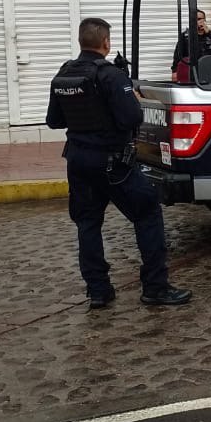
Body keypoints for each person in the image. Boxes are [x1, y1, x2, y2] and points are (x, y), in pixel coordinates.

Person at [47, 17, 192, 309]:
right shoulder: (111, 75)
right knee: (147, 213)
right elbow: (131, 118)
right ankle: (155, 287)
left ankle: (98, 291)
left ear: (80, 41)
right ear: (106, 42)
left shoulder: (64, 74)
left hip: (77, 161)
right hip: (113, 162)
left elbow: (54, 121)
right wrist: (134, 101)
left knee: (88, 224)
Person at [172, 10, 211, 76]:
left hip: (209, 71)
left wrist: (209, 33)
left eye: (200, 19)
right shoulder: (185, 36)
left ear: (204, 20)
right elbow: (178, 55)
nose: (198, 21)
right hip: (192, 72)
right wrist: (175, 72)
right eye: (195, 19)